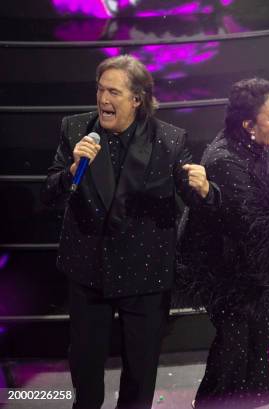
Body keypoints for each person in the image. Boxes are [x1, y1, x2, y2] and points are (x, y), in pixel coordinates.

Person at [40, 54, 219, 409]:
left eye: (113, 93)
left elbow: (194, 202)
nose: (103, 100)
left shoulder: (170, 140)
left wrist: (205, 190)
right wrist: (71, 171)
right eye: (100, 90)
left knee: (140, 374)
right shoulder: (75, 129)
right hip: (88, 271)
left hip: (145, 273)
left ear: (137, 99)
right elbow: (49, 194)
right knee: (86, 372)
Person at [178, 78, 269, 408]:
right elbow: (262, 225)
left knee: (257, 339)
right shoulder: (224, 162)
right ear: (247, 125)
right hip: (222, 269)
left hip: (251, 265)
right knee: (234, 345)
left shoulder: (259, 142)